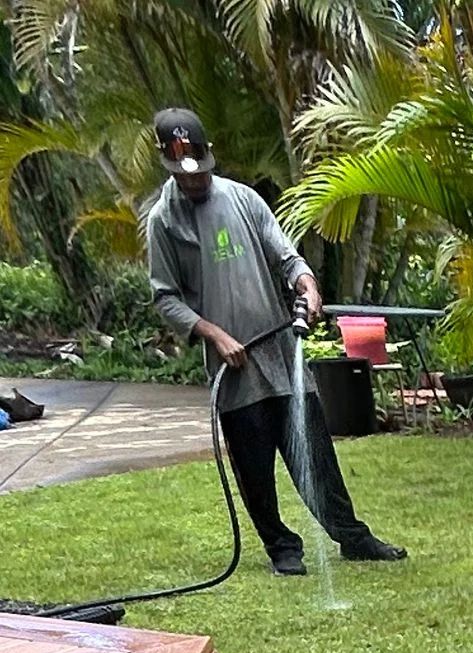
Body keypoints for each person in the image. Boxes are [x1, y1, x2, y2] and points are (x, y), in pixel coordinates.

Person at [146, 107, 405, 577]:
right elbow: (165, 298)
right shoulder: (163, 222)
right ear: (165, 164)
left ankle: (351, 536)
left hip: (281, 353)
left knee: (315, 453)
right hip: (234, 368)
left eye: (200, 171)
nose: (195, 182)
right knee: (254, 465)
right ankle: (281, 545)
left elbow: (284, 254)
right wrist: (214, 334)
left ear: (210, 157)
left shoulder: (243, 199)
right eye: (184, 176)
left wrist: (306, 281)